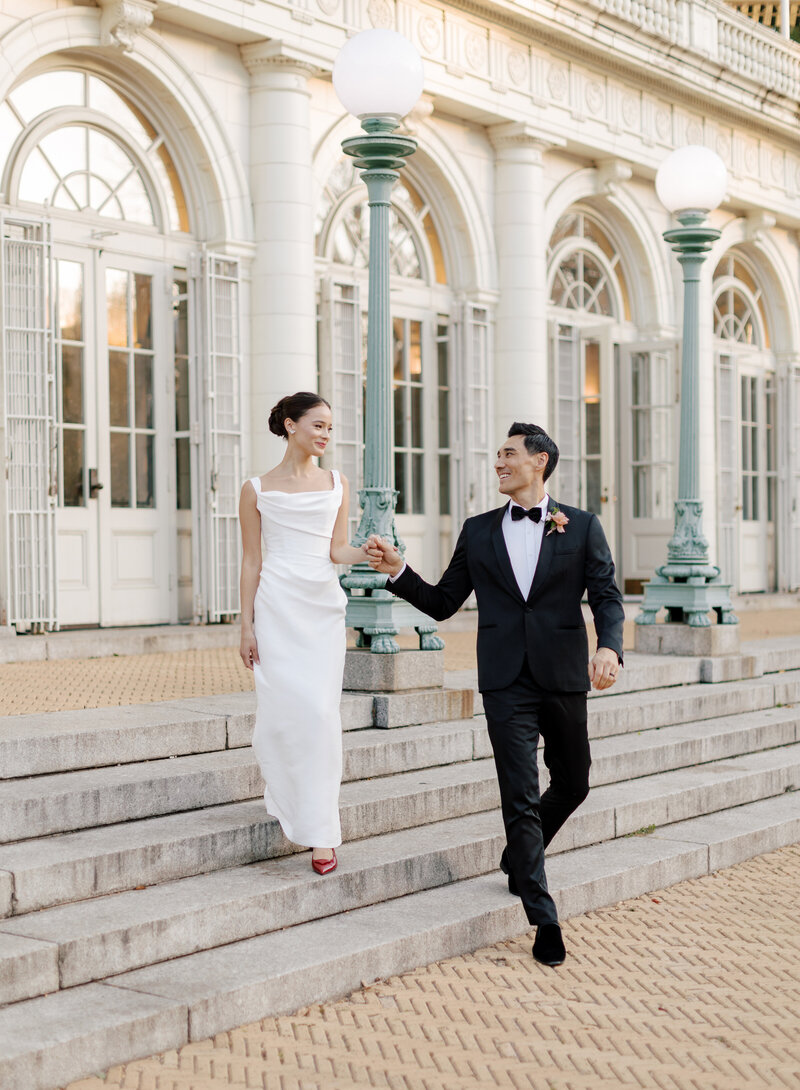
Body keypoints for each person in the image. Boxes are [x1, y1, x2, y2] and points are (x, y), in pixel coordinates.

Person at [366, 422, 624, 966]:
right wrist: (398, 573)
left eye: (509, 454)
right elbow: (442, 602)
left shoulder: (581, 525)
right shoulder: (478, 530)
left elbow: (606, 595)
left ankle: (517, 858)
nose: (499, 463)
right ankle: (542, 914)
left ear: (540, 462)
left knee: (573, 782)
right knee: (520, 792)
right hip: (505, 680)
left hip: (562, 674)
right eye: (498, 455)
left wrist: (609, 649)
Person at [239, 392, 369, 875]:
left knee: (319, 714)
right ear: (291, 426)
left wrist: (367, 552)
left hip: (320, 609)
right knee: (280, 715)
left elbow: (337, 550)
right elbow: (252, 561)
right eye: (317, 425)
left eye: (330, 428)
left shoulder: (338, 483)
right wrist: (246, 625)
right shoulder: (255, 488)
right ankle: (287, 796)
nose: (325, 435)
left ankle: (321, 829)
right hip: (275, 606)